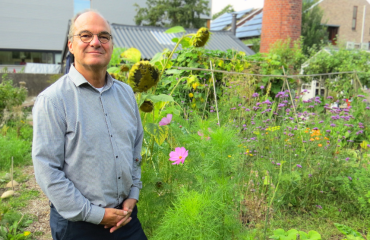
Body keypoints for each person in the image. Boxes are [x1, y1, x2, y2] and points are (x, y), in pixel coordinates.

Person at [32, 10, 147, 240]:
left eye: (103, 36)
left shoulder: (126, 94)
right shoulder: (53, 100)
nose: (96, 42)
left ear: (111, 46)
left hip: (125, 217)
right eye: (85, 35)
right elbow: (47, 171)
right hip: (78, 225)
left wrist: (133, 194)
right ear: (71, 45)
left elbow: (135, 150)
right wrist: (96, 214)